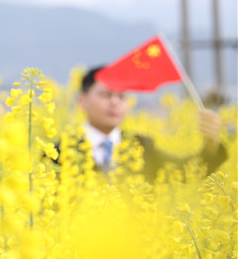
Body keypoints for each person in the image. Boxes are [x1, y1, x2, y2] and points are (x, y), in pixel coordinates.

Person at [68, 65, 227, 181]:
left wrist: (211, 143)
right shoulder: (62, 152)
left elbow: (188, 171)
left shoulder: (142, 146)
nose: (115, 102)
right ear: (82, 101)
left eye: (121, 96)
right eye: (106, 95)